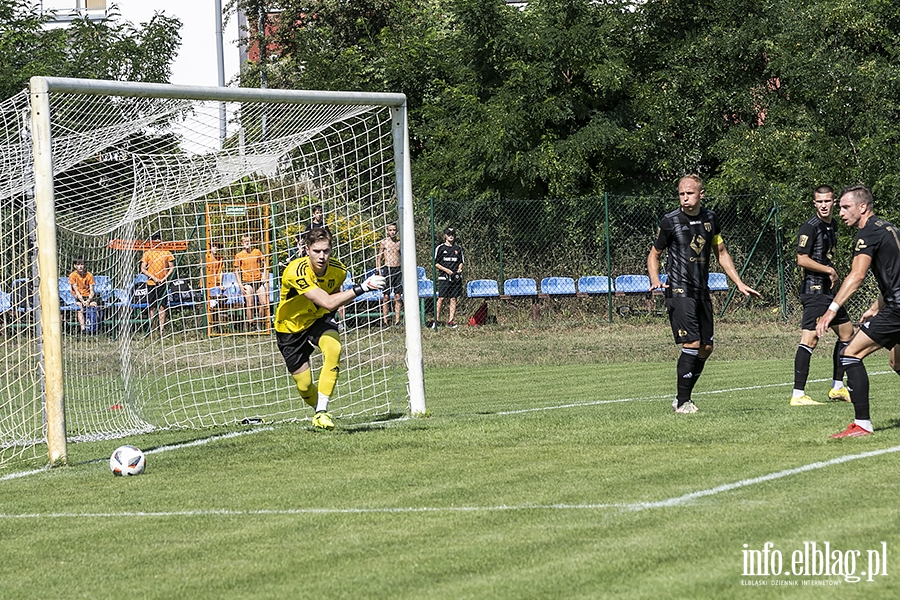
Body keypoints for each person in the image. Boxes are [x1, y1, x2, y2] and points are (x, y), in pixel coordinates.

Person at [647, 175, 760, 413]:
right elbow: (654, 254)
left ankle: (682, 396)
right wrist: (655, 279)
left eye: (689, 193)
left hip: (702, 291)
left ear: (701, 194)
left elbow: (721, 252)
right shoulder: (670, 221)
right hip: (679, 290)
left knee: (706, 347)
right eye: (681, 194)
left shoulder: (710, 219)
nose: (685, 198)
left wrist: (738, 282)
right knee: (692, 342)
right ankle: (683, 401)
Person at [274, 227, 385, 430]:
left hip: (318, 318)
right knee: (305, 386)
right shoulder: (295, 271)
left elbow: (333, 296)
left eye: (326, 251)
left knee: (334, 348)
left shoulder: (339, 270)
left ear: (331, 250)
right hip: (290, 326)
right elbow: (327, 301)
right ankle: (318, 407)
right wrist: (363, 287)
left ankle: (321, 413)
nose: (322, 256)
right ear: (307, 250)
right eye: (317, 251)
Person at [816, 184, 900, 438]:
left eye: (845, 206)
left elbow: (856, 275)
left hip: (898, 308)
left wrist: (831, 310)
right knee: (897, 361)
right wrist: (876, 307)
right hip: (894, 304)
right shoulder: (889, 228)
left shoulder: (867, 234)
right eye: (839, 207)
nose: (840, 212)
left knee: (850, 353)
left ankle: (862, 424)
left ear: (862, 207)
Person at [790, 185, 854, 406]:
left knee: (847, 333)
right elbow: (801, 259)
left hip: (827, 291)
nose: (824, 205)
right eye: (820, 201)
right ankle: (798, 394)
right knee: (810, 339)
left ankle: (837, 387)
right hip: (814, 290)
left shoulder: (833, 224)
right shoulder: (810, 227)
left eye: (827, 201)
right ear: (814, 203)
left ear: (834, 202)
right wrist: (829, 270)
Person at [140, 231, 175, 334]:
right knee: (152, 307)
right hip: (151, 283)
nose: (157, 241)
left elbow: (172, 268)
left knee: (162, 307)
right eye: (155, 239)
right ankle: (152, 328)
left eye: (158, 239)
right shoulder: (148, 253)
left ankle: (161, 330)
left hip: (162, 283)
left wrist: (165, 278)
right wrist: (153, 277)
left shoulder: (167, 252)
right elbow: (143, 268)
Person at [234, 234, 270, 330]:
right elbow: (236, 271)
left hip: (258, 281)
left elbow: (265, 263)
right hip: (247, 281)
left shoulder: (257, 252)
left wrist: (264, 275)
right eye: (245, 242)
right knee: (250, 304)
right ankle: (251, 324)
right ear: (242, 244)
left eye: (249, 241)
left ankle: (260, 322)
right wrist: (240, 285)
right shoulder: (239, 255)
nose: (247, 243)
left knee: (263, 303)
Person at [433, 227, 464, 329]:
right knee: (441, 298)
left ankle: (451, 320)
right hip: (444, 277)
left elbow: (461, 262)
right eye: (449, 234)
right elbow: (436, 263)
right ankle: (436, 321)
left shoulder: (458, 249)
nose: (451, 236)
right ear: (445, 235)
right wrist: (446, 270)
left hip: (455, 277)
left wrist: (459, 269)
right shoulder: (440, 248)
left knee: (453, 298)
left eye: (453, 234)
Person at [376, 222, 403, 326]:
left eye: (394, 230)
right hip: (388, 269)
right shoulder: (384, 242)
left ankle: (397, 320)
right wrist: (379, 271)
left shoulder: (399, 243)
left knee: (397, 296)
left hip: (398, 269)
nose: (392, 232)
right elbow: (379, 258)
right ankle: (385, 320)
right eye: (390, 230)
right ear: (387, 231)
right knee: (386, 296)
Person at [68, 257, 97, 333]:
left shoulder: (89, 275)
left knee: (94, 305)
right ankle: (83, 329)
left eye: (82, 264)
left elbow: (92, 291)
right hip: (78, 297)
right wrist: (82, 301)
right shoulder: (72, 275)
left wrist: (88, 300)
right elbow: (76, 291)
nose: (80, 266)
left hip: (88, 296)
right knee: (80, 308)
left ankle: (94, 327)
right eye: (78, 264)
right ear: (75, 266)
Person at [203, 241, 225, 325]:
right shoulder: (205, 257)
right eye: (214, 246)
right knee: (207, 305)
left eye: (218, 247)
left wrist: (220, 284)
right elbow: (202, 270)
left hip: (216, 285)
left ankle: (215, 324)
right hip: (207, 284)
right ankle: (208, 324)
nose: (216, 248)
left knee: (216, 304)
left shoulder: (220, 258)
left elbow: (220, 272)